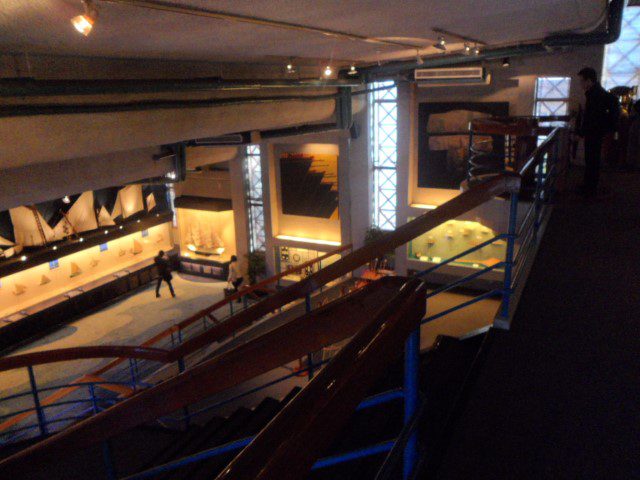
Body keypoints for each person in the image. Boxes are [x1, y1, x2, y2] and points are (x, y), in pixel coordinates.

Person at [576, 67, 621, 197]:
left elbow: (592, 117)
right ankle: (589, 186)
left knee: (592, 160)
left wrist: (582, 132)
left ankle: (590, 188)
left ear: (589, 80)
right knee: (591, 160)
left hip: (594, 132)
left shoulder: (595, 95)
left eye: (582, 81)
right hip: (596, 132)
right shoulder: (597, 93)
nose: (581, 84)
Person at [627, 100, 640, 171]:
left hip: (634, 128)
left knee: (633, 147)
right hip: (635, 128)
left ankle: (632, 163)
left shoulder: (635, 107)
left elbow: (630, 118)